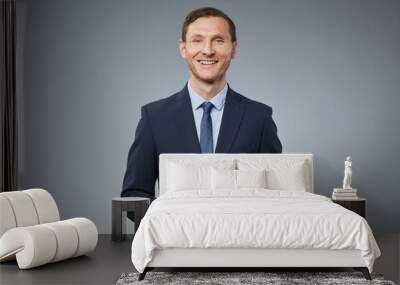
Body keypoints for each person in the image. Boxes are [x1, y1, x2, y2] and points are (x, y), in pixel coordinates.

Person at [121, 7, 282, 202]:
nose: (207, 50)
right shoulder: (154, 118)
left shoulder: (259, 118)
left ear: (234, 49)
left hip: (240, 231)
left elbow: (275, 197)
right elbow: (134, 196)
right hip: (175, 231)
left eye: (219, 40)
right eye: (197, 40)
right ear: (183, 49)